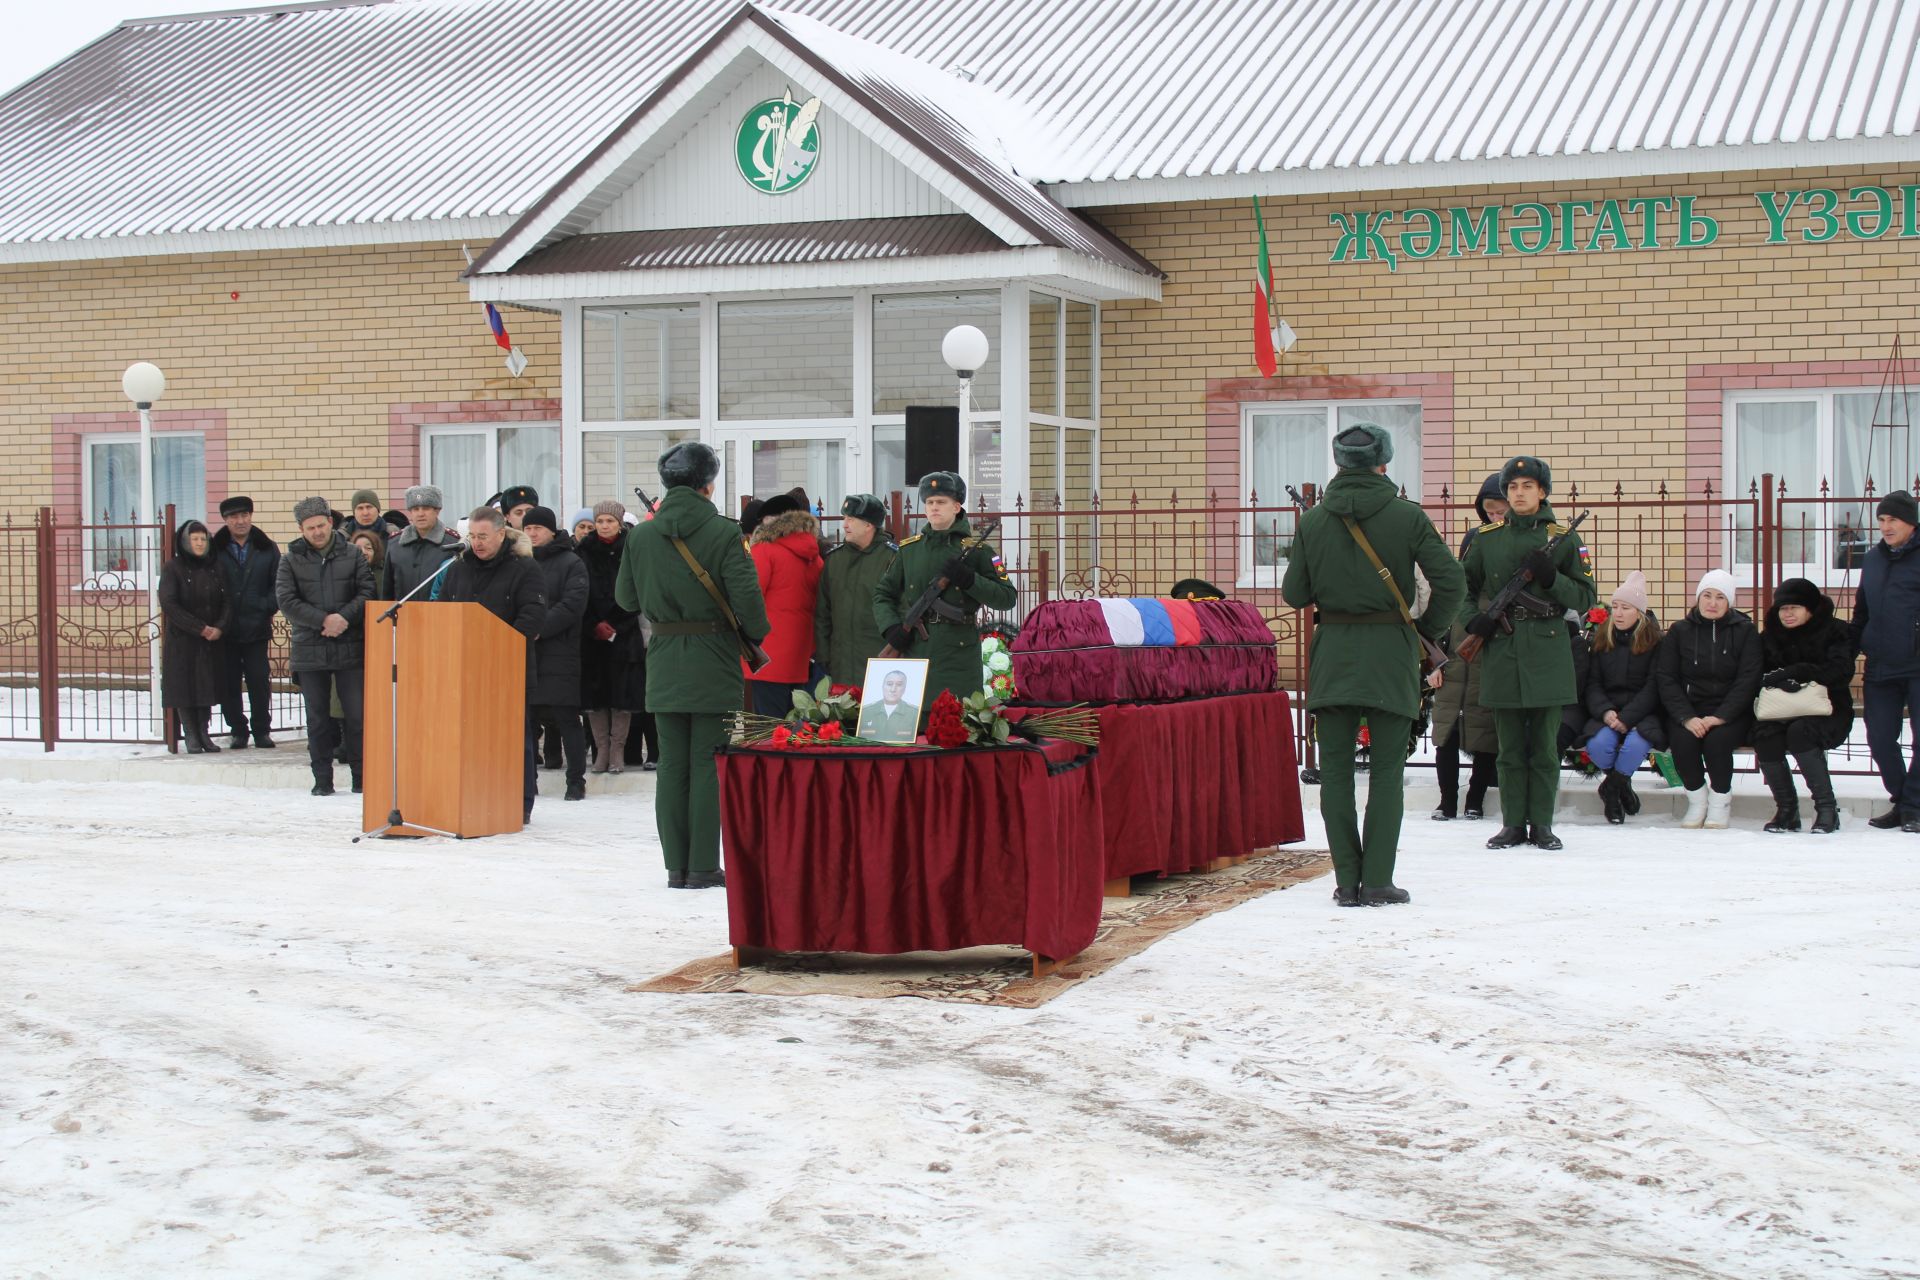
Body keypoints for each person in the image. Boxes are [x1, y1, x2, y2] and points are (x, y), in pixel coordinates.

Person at [1281, 424, 1466, 906]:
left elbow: (1295, 594)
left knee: (1336, 771)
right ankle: (1379, 879)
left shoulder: (1316, 520)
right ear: (1384, 463)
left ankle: (1346, 881)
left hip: (1334, 650)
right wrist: (1426, 627)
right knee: (1387, 769)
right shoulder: (1408, 516)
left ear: (1339, 463)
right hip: (1391, 649)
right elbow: (1451, 582)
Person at [616, 442, 769, 889]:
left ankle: (675, 867)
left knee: (670, 766)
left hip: (663, 659)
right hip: (714, 659)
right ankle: (702, 866)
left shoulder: (641, 535)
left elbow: (626, 599)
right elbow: (751, 610)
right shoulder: (723, 533)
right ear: (709, 483)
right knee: (708, 763)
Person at [1460, 455, 1597, 851]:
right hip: (1502, 647)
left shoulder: (1564, 538)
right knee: (1508, 748)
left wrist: (1553, 579)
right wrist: (1474, 622)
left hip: (1548, 648)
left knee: (1544, 747)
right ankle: (1512, 824)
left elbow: (1587, 598)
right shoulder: (1488, 538)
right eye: (1513, 487)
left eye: (1527, 487)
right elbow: (1461, 589)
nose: (1519, 494)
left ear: (1542, 492)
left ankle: (1542, 824)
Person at [873, 472, 1017, 716]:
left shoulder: (978, 551)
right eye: (929, 502)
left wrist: (971, 580)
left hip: (958, 654)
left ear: (957, 506)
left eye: (941, 502)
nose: (934, 508)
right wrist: (892, 628)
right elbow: (883, 595)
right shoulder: (909, 550)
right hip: (917, 650)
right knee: (917, 727)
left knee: (958, 725)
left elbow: (1007, 598)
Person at [439, 507, 547, 820]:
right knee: (469, 739)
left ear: (501, 534)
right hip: (463, 671)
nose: (477, 543)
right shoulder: (458, 568)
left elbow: (533, 616)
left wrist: (495, 646)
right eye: (472, 536)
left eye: (483, 536)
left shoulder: (525, 569)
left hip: (506, 670)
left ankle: (518, 803)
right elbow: (444, 611)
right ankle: (474, 797)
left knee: (512, 740)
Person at [276, 495, 375, 796]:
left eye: (321, 525)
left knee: (356, 717)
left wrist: (343, 618)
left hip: (350, 646)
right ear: (301, 529)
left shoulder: (352, 554)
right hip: (310, 649)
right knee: (318, 719)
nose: (317, 532)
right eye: (310, 528)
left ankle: (362, 778)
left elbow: (367, 590)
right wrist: (323, 621)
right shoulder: (290, 558)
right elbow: (286, 600)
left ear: (330, 523)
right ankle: (322, 780)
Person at [1655, 569, 1762, 828]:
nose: (1712, 603)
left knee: (1717, 743)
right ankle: (1697, 800)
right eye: (1707, 595)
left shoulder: (1745, 631)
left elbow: (1748, 679)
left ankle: (1719, 802)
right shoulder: (1679, 631)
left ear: (1729, 602)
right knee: (1683, 742)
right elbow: (1666, 677)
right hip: (1689, 709)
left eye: (1720, 597)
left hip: (1730, 712)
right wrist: (1686, 717)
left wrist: (1721, 716)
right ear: (1698, 598)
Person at [1430, 472, 1505, 820]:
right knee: (1446, 735)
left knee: (1485, 736)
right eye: (1488, 510)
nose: (1494, 516)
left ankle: (1474, 799)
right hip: (1453, 670)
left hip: (1488, 666)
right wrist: (1432, 666)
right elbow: (1433, 631)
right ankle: (1447, 802)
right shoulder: (1460, 596)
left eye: (1499, 509)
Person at [1754, 577, 1852, 834]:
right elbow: (1755, 674)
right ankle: (1787, 810)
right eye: (1782, 608)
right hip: (1779, 709)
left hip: (1829, 710)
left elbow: (1841, 672)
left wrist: (1800, 671)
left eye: (1794, 608)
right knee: (1764, 736)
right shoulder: (1770, 636)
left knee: (1801, 732)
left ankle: (1827, 809)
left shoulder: (1835, 631)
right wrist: (1777, 680)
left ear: (1810, 608)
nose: (1787, 614)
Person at [1849, 490, 1920, 831]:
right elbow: (1862, 609)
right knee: (1878, 736)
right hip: (1880, 662)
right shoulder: (1874, 559)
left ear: (1911, 522)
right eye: (1881, 520)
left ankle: (1912, 806)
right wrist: (1849, 650)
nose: (1886, 526)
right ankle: (1905, 800)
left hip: (1918, 662)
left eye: (1893, 519)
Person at [1580, 570, 1664, 824]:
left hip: (1643, 713)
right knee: (1598, 746)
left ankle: (1611, 789)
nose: (1617, 613)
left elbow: (1654, 687)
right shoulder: (1602, 639)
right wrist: (1606, 712)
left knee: (1636, 745)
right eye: (1615, 606)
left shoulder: (1655, 642)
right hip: (1608, 713)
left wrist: (1628, 718)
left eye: (1625, 607)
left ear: (1638, 612)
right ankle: (1622, 786)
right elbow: (1592, 683)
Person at [579, 500, 655, 773]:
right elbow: (579, 592)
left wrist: (616, 624)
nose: (604, 526)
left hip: (624, 634)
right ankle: (601, 751)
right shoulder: (584, 551)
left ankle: (617, 752)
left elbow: (637, 590)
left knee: (621, 697)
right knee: (595, 696)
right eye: (600, 521)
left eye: (609, 521)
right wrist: (593, 625)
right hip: (592, 637)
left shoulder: (632, 549)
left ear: (619, 523)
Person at [521, 506, 589, 801]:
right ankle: (527, 781)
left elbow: (573, 604)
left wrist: (539, 627)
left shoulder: (571, 562)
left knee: (567, 719)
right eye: (527, 528)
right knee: (527, 721)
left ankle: (576, 781)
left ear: (551, 530)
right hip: (526, 652)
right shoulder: (520, 562)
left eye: (538, 528)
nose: (532, 533)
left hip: (560, 652)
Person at [210, 495, 280, 749]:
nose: (240, 521)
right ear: (226, 520)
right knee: (229, 682)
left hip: (256, 627)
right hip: (225, 629)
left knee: (259, 681)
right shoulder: (215, 549)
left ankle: (262, 730)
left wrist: (264, 607)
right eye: (233, 517)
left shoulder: (266, 547)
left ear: (251, 516)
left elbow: (278, 586)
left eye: (244, 515)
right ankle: (238, 729)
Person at [747, 492, 824, 717]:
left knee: (769, 731)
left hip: (768, 655)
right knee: (797, 730)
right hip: (803, 654)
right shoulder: (814, 555)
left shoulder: (764, 550)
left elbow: (751, 598)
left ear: (769, 520)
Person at [158, 519, 232, 754]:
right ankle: (190, 733)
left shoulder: (216, 567)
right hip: (183, 639)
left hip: (211, 640)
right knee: (184, 686)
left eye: (203, 539)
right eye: (195, 539)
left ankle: (204, 733)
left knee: (206, 687)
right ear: (185, 542)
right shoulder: (173, 568)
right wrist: (199, 628)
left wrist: (219, 626)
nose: (200, 543)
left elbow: (229, 601)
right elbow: (170, 604)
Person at [815, 493, 897, 688]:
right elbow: (822, 613)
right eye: (845, 518)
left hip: (879, 665)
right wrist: (824, 654)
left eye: (851, 519)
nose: (844, 524)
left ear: (869, 525)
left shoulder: (893, 559)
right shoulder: (834, 560)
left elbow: (902, 610)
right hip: (840, 665)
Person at [384, 485, 463, 602]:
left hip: (438, 615)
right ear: (410, 512)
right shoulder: (395, 543)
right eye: (415, 509)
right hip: (402, 616)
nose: (420, 514)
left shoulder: (453, 543)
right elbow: (387, 590)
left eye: (426, 508)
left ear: (437, 510)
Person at [857, 667, 920, 742]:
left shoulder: (914, 713)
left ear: (905, 688)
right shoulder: (865, 711)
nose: (893, 689)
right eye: (889, 684)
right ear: (882, 686)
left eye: (899, 685)